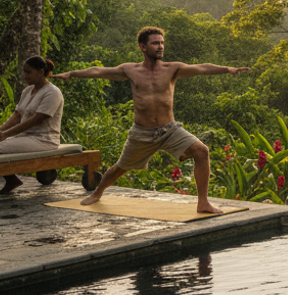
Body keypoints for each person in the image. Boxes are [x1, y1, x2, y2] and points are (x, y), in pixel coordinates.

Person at [53, 26, 250, 214]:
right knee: (120, 167)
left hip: (170, 130)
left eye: (162, 43)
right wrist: (72, 74)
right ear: (143, 47)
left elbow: (200, 68)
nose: (160, 46)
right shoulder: (130, 70)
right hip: (142, 132)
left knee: (201, 151)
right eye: (155, 43)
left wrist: (227, 69)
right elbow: (98, 71)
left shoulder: (172, 69)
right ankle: (97, 193)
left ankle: (203, 202)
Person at [0, 56, 65, 194]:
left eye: (28, 72)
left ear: (41, 72)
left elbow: (36, 119)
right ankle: (12, 180)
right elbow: (17, 115)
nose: (25, 75)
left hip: (44, 139)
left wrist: (5, 134)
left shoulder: (52, 92)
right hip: (25, 137)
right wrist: (0, 130)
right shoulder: (27, 91)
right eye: (24, 71)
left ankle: (11, 179)